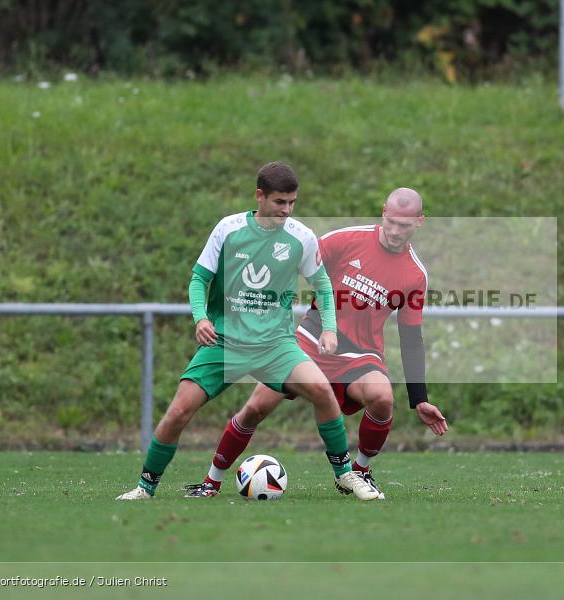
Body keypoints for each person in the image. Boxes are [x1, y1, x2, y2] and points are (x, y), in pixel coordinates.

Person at [117, 161, 380, 501]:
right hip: (225, 341)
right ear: (260, 196)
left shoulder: (301, 238)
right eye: (279, 202)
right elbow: (199, 279)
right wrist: (201, 318)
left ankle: (346, 475)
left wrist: (329, 328)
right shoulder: (228, 229)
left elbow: (323, 287)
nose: (286, 210)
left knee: (322, 391)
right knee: (179, 412)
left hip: (275, 344)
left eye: (292, 203)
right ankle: (145, 487)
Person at [183, 187, 448, 500]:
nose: (394, 230)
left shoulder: (415, 274)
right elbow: (292, 261)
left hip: (362, 354)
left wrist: (419, 398)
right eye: (390, 221)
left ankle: (358, 471)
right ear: (382, 212)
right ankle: (211, 482)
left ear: (420, 221)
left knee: (382, 397)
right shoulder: (345, 239)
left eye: (404, 225)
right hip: (311, 339)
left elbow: (411, 336)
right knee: (255, 407)